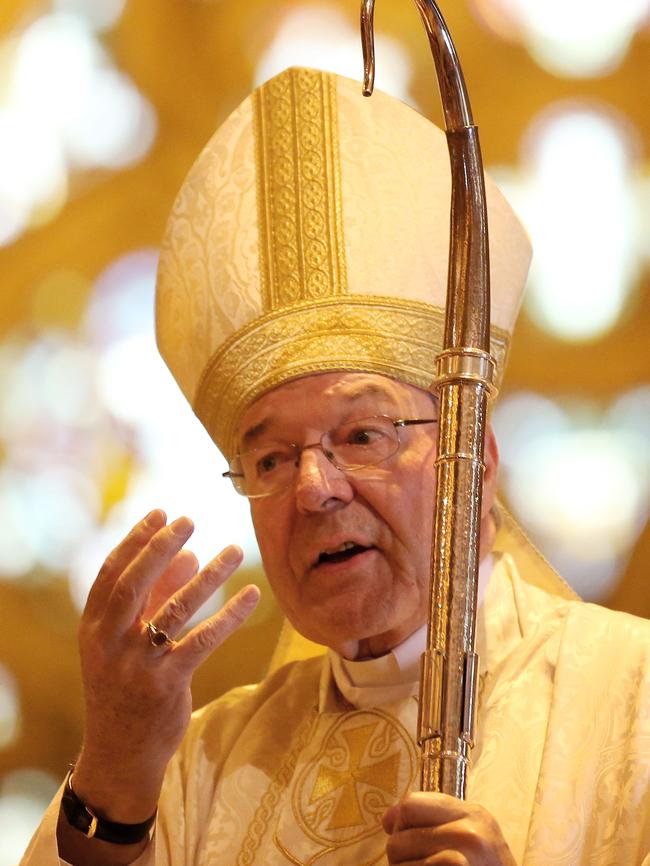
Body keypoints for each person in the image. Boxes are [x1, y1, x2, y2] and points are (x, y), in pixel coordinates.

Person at [21, 67, 650, 866]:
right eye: (272, 456)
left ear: (479, 462)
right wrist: (111, 770)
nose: (315, 489)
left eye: (362, 435)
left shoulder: (633, 703)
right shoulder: (203, 765)